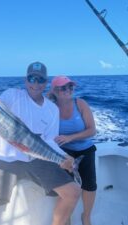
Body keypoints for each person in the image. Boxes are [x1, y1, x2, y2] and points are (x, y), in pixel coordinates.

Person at [0, 62, 81, 225]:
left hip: (37, 159)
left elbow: (50, 140)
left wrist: (64, 157)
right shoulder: (12, 95)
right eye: (31, 78)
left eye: (40, 79)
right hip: (3, 160)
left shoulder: (52, 109)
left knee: (73, 192)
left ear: (45, 82)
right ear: (25, 80)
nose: (35, 83)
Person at [48, 75, 97, 225]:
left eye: (70, 86)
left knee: (89, 185)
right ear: (55, 90)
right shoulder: (49, 107)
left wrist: (71, 138)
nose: (68, 90)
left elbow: (92, 130)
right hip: (62, 153)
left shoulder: (80, 103)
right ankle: (66, 218)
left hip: (85, 149)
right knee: (65, 187)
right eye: (63, 87)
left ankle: (86, 216)